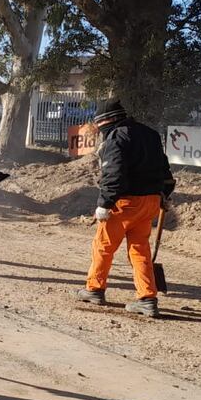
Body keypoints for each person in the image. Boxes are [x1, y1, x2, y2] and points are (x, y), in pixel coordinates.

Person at [75, 98, 175, 317]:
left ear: (105, 121)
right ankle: (147, 298)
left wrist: (105, 203)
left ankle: (94, 289)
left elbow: (114, 175)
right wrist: (165, 193)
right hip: (150, 202)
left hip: (125, 203)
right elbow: (163, 167)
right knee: (140, 249)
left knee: (103, 246)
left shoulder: (115, 138)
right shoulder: (150, 134)